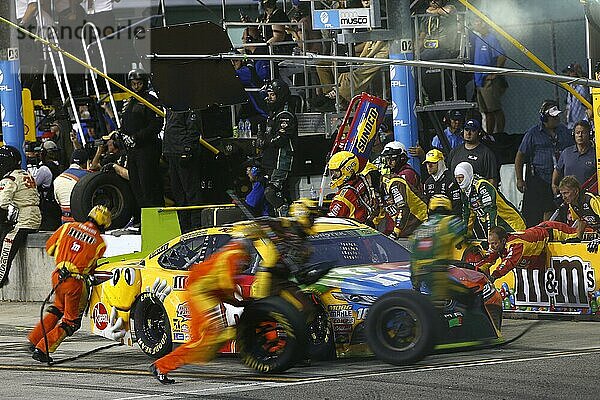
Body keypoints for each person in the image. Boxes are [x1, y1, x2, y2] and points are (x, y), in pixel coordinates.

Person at [149, 199, 317, 384]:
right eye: (253, 239)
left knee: (213, 345)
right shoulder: (234, 253)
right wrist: (245, 303)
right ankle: (160, 366)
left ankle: (164, 365)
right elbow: (227, 284)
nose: (255, 244)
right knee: (207, 341)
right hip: (201, 292)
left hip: (211, 292)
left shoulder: (245, 252)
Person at [27, 206, 111, 363]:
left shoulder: (67, 226)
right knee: (71, 322)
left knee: (58, 309)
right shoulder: (100, 243)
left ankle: (34, 339)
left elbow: (50, 248)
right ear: (104, 224)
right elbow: (92, 268)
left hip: (58, 276)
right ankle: (42, 349)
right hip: (75, 283)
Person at [516, 100, 573, 226]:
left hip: (560, 178)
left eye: (558, 116)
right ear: (544, 118)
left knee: (562, 209)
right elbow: (520, 156)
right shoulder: (533, 133)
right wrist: (519, 179)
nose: (557, 118)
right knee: (543, 210)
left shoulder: (564, 131)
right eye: (554, 117)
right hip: (540, 179)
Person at [120, 69, 165, 216]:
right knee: (135, 183)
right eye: (133, 84)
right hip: (132, 150)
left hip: (147, 149)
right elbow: (125, 123)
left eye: (139, 83)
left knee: (148, 184)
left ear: (144, 83)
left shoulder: (151, 101)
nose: (136, 87)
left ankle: (154, 216)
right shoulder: (130, 101)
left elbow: (156, 125)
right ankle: (142, 217)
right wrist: (123, 135)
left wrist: (137, 137)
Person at [475, 223, 578, 283]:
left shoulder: (516, 245)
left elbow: (509, 262)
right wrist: (475, 270)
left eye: (494, 243)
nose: (492, 247)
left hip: (553, 231)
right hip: (538, 247)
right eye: (490, 243)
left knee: (583, 233)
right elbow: (488, 260)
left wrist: (493, 276)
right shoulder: (499, 245)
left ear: (503, 241)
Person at [409, 195, 467, 301]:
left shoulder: (419, 229)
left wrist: (415, 284)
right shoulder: (449, 221)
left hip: (420, 276)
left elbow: (413, 259)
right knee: (469, 295)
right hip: (437, 274)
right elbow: (464, 235)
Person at [0, 146, 41, 288]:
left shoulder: (9, 179)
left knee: (6, 247)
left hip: (23, 222)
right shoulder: (26, 174)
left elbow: (2, 203)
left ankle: (0, 278)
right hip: (34, 218)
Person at [454, 161, 525, 238]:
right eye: (457, 178)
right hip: (496, 227)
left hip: (510, 224)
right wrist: (464, 235)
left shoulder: (482, 185)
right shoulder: (465, 190)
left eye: (461, 177)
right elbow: (468, 214)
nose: (459, 181)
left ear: (468, 174)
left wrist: (491, 235)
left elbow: (491, 210)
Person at [259, 79, 297, 216]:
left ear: (280, 95)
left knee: (271, 193)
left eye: (272, 95)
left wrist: (266, 140)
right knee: (272, 194)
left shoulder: (285, 115)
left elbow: (280, 140)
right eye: (268, 94)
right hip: (271, 161)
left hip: (282, 162)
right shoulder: (273, 113)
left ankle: (288, 219)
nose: (268, 98)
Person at [472, 17, 507, 134]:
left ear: (484, 23)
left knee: (495, 109)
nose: (475, 23)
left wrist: (494, 73)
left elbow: (502, 56)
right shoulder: (477, 38)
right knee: (486, 111)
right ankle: (490, 135)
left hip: (488, 80)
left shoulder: (491, 38)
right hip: (479, 80)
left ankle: (500, 134)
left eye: (477, 21)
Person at [327, 151, 376, 224]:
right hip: (368, 224)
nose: (333, 176)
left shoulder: (342, 199)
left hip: (354, 231)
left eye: (336, 172)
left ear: (347, 170)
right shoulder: (361, 179)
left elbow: (330, 223)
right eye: (332, 172)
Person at [447, 119, 498, 186]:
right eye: (466, 129)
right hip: (456, 193)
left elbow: (492, 180)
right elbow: (449, 173)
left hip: (477, 193)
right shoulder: (455, 151)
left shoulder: (486, 153)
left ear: (479, 132)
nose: (468, 133)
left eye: (473, 130)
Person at [552, 120, 595, 194]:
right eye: (577, 133)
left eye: (583, 132)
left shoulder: (595, 154)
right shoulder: (566, 152)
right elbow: (557, 170)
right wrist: (554, 184)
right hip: (569, 197)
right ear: (573, 134)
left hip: (589, 196)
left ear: (590, 134)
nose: (580, 135)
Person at [558, 176, 600, 245]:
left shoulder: (591, 200)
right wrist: (578, 238)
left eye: (566, 193)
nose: (564, 197)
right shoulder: (572, 204)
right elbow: (581, 220)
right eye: (562, 194)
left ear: (576, 191)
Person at [53, 149, 91, 224]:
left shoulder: (58, 179)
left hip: (65, 221)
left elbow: (58, 201)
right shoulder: (88, 176)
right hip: (82, 222)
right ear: (85, 163)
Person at [422, 149, 462, 215]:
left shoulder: (451, 180)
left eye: (433, 163)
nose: (429, 166)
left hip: (451, 220)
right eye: (427, 163)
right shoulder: (427, 182)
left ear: (440, 163)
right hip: (433, 222)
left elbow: (457, 206)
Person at [563, 63, 591, 130]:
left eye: (571, 72)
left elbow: (585, 81)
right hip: (571, 123)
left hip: (583, 120)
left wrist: (579, 73)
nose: (568, 75)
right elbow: (569, 105)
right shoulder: (570, 87)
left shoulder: (582, 86)